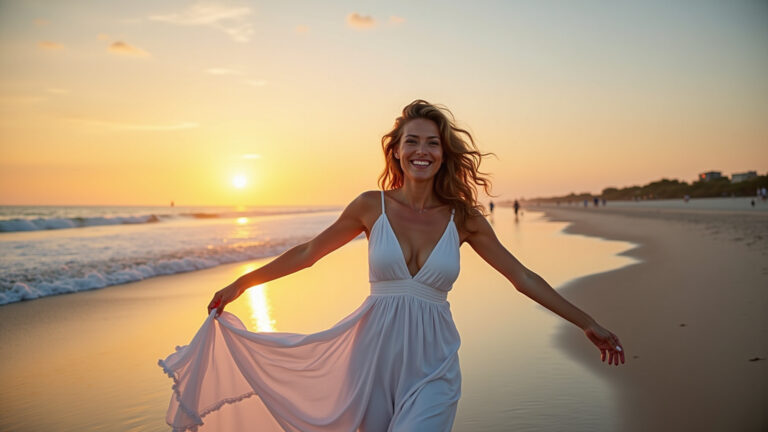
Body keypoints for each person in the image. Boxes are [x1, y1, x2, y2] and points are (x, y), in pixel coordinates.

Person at [159, 100, 625, 432]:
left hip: (434, 361)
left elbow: (522, 278)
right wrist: (244, 281)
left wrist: (588, 323)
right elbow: (308, 253)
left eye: (433, 143)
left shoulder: (464, 218)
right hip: (372, 358)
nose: (423, 150)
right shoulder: (370, 206)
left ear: (444, 154)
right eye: (412, 142)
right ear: (397, 151)